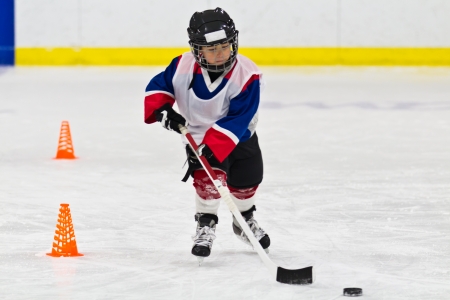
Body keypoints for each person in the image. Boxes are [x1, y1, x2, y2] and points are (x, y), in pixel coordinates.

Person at [144, 7, 270, 262]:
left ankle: (244, 221)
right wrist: (163, 111)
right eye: (212, 49)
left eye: (225, 46)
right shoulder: (182, 66)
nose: (221, 53)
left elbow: (240, 117)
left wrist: (216, 144)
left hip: (240, 136)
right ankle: (206, 223)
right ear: (197, 49)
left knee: (247, 181)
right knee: (208, 183)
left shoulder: (247, 73)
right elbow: (159, 87)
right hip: (199, 137)